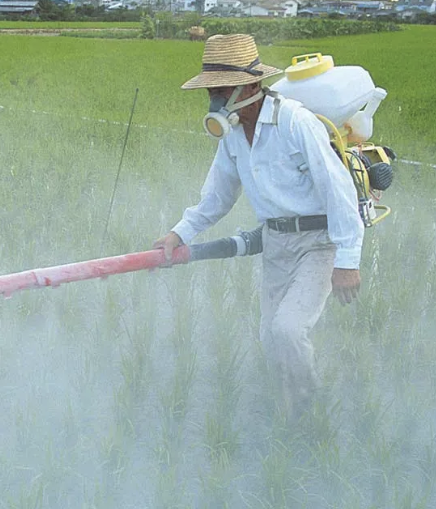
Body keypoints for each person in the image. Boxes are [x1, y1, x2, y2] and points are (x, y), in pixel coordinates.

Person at [154, 33, 364, 419]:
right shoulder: (233, 134)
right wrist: (178, 233)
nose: (215, 101)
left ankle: (311, 409)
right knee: (270, 337)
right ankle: (285, 409)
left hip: (319, 243)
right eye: (211, 93)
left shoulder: (295, 123)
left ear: (250, 85)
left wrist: (347, 261)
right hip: (276, 243)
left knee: (288, 330)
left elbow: (339, 192)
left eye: (222, 90)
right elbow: (216, 196)